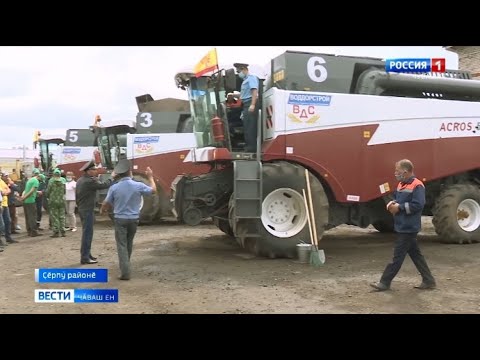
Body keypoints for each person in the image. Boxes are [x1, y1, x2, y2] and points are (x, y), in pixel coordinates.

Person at [370, 159, 436, 292]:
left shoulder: (417, 185)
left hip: (409, 228)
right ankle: (429, 280)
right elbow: (397, 199)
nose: (395, 173)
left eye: (397, 171)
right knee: (416, 255)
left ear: (406, 172)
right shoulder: (401, 184)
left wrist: (399, 208)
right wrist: (391, 204)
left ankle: (384, 282)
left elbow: (418, 205)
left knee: (397, 257)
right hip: (402, 225)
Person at [101, 159, 156, 280]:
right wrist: (150, 177)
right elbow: (153, 191)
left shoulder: (114, 188)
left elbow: (106, 203)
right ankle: (126, 266)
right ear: (130, 172)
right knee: (128, 243)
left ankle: (125, 272)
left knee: (121, 245)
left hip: (120, 219)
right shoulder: (138, 185)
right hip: (134, 220)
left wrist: (102, 210)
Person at [76, 160, 114, 265]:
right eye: (93, 169)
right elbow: (104, 185)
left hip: (83, 209)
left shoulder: (81, 180)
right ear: (88, 171)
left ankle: (87, 254)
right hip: (87, 210)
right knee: (87, 234)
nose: (95, 171)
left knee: (87, 233)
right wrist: (113, 177)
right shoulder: (89, 181)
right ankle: (85, 257)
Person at [234, 63, 259, 153]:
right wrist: (234, 95)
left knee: (250, 127)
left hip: (250, 103)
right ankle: (249, 146)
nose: (238, 73)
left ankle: (251, 148)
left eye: (239, 71)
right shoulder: (245, 80)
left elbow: (254, 91)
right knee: (246, 127)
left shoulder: (251, 78)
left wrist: (252, 105)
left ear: (244, 69)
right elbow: (245, 94)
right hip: (246, 104)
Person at [21, 168, 41, 237]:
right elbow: (31, 191)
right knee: (32, 216)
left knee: (27, 216)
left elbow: (26, 190)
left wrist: (23, 197)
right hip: (30, 201)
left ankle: (29, 231)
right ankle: (34, 232)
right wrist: (25, 197)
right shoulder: (36, 181)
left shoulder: (30, 180)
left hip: (26, 202)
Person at [47, 169, 67, 237]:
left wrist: (47, 196)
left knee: (55, 216)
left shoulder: (51, 181)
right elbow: (65, 190)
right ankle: (63, 231)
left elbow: (48, 191)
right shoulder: (63, 180)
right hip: (61, 200)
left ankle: (56, 231)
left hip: (53, 200)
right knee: (62, 216)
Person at [0, 172, 17, 244]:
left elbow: (8, 190)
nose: (6, 177)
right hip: (1, 204)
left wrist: (5, 191)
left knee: (8, 221)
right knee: (1, 224)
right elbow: (3, 192)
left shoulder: (1, 182)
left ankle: (8, 237)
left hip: (5, 204)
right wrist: (5, 192)